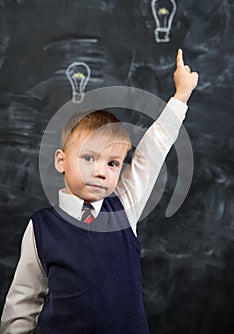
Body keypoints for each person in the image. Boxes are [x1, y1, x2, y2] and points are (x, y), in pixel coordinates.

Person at [0, 49, 198, 333]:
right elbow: (22, 303)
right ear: (61, 161)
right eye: (88, 158)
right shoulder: (42, 228)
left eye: (113, 162)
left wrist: (181, 96)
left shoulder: (124, 207)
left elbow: (154, 149)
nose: (101, 171)